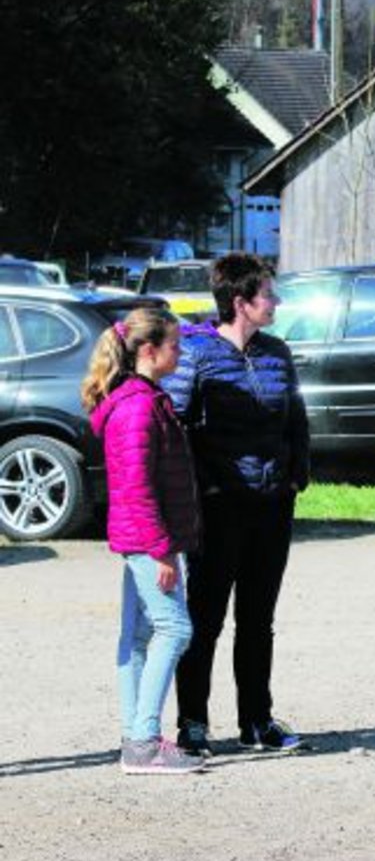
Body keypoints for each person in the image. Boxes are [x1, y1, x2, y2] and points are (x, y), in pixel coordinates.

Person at [163, 253, 310, 756]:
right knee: (205, 620)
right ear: (241, 302)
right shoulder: (196, 354)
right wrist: (206, 487)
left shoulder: (277, 352)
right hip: (219, 509)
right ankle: (193, 723)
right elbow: (178, 428)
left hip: (272, 506)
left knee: (257, 620)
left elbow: (296, 419)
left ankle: (257, 721)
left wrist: (296, 476)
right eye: (268, 294)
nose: (277, 301)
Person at [83, 307, 205, 775]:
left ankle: (135, 736)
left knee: (138, 636)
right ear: (149, 351)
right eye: (175, 345)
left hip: (142, 537)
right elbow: (137, 488)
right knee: (175, 629)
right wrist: (161, 550)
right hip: (147, 540)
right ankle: (144, 741)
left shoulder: (144, 399)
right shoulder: (137, 407)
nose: (181, 352)